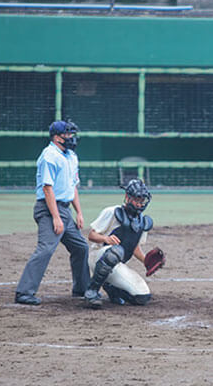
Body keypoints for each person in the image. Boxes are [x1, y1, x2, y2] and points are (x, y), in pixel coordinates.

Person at [14, 120, 90, 305]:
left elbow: (73, 187)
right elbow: (48, 189)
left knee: (81, 247)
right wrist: (56, 217)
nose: (72, 138)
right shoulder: (49, 156)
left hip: (65, 209)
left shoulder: (71, 156)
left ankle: (82, 289)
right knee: (46, 248)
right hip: (48, 209)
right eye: (68, 134)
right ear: (57, 138)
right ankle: (24, 292)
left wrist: (78, 212)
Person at [83, 178, 155, 308]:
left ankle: (112, 288)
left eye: (142, 200)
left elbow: (134, 248)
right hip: (97, 257)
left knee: (142, 297)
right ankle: (91, 292)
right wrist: (106, 239)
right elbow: (91, 235)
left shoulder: (142, 222)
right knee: (116, 251)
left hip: (116, 264)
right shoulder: (112, 212)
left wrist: (147, 262)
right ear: (128, 197)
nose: (139, 204)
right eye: (137, 199)